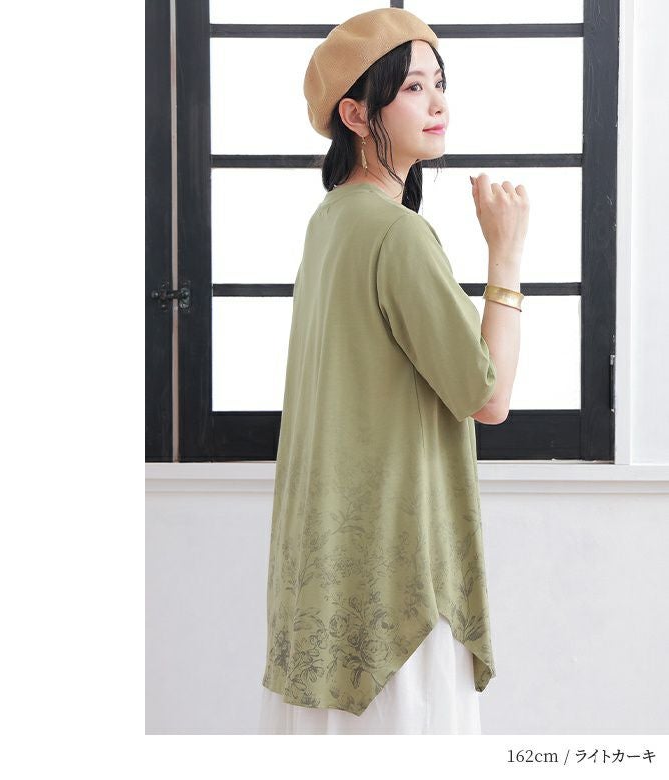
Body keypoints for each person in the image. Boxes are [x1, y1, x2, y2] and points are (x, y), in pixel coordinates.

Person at [259, 8, 528, 734]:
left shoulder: (331, 221)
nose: (438, 103)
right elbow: (489, 397)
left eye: (439, 83)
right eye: (412, 88)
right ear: (355, 113)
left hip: (328, 565)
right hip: (398, 570)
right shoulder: (396, 233)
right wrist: (506, 254)